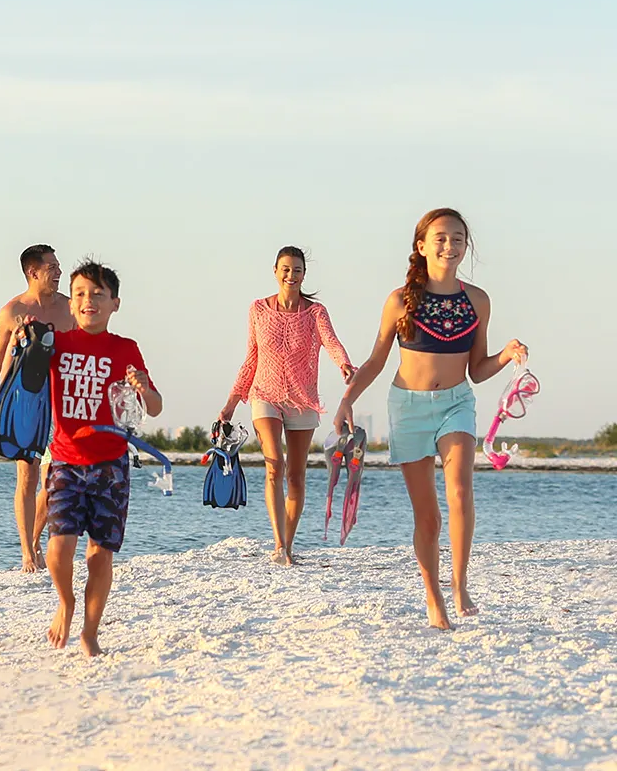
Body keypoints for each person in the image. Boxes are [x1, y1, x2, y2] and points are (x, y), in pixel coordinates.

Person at [334, 209, 527, 630]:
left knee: (460, 491)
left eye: (458, 238)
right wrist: (347, 400)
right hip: (409, 408)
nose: (449, 245)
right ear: (421, 246)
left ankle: (459, 584)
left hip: (457, 402)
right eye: (440, 238)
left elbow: (478, 369)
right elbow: (376, 360)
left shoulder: (478, 301)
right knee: (428, 517)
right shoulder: (400, 300)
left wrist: (506, 355)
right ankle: (433, 595)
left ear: (465, 247)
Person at [44, 259, 161, 658]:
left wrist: (143, 387)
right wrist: (25, 340)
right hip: (65, 460)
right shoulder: (57, 343)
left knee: (99, 555)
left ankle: (90, 632)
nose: (88, 300)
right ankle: (66, 602)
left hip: (111, 465)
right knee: (58, 550)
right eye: (79, 293)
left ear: (115, 303)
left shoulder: (125, 349)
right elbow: (24, 377)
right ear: (70, 303)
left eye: (97, 294)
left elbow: (155, 407)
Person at [217, 246, 355, 566]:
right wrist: (231, 402)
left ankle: (287, 545)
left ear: (304, 275)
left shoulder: (315, 312)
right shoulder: (258, 309)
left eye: (297, 270)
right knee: (274, 464)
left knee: (295, 477)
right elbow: (252, 357)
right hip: (264, 394)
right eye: (285, 269)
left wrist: (344, 364)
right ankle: (279, 545)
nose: (291, 275)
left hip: (303, 399)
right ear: (275, 271)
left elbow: (331, 342)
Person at [0, 244, 74, 572]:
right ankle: (28, 552)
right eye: (52, 267)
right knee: (27, 477)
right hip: (24, 400)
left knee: (55, 478)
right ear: (33, 272)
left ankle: (35, 537)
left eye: (58, 266)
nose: (59, 272)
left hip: (60, 403)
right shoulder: (12, 312)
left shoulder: (70, 309)